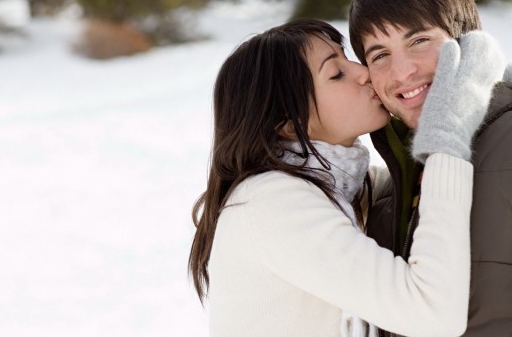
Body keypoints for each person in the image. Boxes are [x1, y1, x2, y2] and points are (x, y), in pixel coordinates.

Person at [188, 19, 503, 337]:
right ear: (288, 123)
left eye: (346, 56)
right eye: (336, 73)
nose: (363, 72)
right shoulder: (271, 203)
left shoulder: (341, 186)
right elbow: (432, 313)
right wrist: (447, 132)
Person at [348, 0, 512, 337]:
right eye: (380, 55)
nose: (402, 72)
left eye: (419, 40)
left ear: (467, 41)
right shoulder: (390, 189)